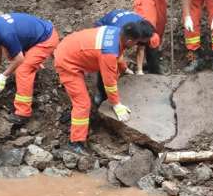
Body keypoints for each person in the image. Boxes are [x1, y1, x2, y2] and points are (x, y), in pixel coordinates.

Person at [54, 20, 154, 153]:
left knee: (83, 98)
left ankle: (76, 119)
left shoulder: (117, 32)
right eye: (137, 42)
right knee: (83, 103)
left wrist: (124, 69)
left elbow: (119, 54)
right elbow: (109, 83)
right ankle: (75, 143)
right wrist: (116, 104)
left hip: (72, 46)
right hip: (67, 61)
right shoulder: (108, 53)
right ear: (130, 41)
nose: (137, 45)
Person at [0, 12, 59, 126]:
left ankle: (23, 113)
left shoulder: (5, 34)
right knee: (10, 55)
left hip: (46, 39)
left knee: (22, 70)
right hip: (34, 36)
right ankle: (33, 66)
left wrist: (3, 76)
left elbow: (20, 59)